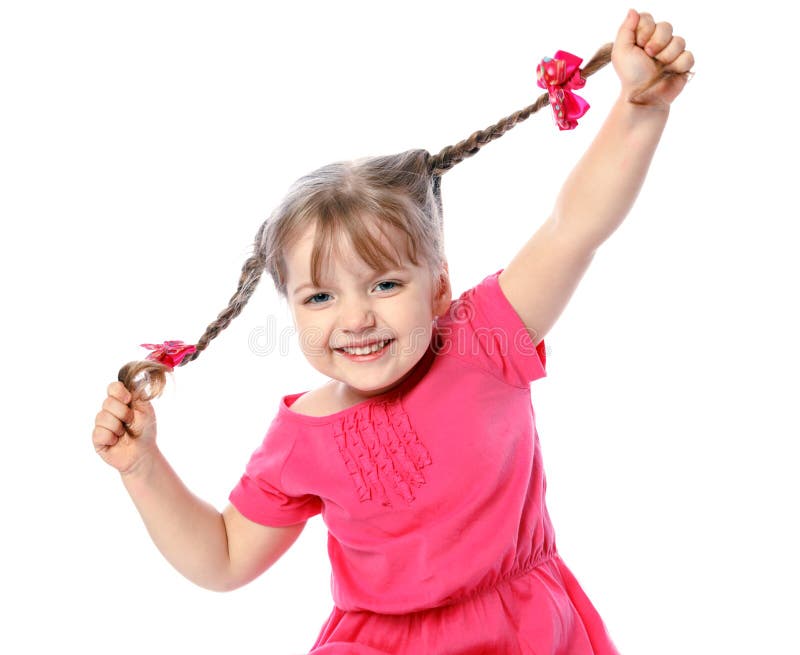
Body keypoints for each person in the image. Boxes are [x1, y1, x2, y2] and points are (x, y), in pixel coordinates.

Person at [92, 9, 693, 654]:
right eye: (320, 296)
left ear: (437, 286)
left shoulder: (484, 342)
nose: (355, 319)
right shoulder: (301, 438)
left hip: (521, 633)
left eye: (384, 284)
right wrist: (143, 467)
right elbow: (226, 556)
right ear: (292, 310)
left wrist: (638, 109)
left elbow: (573, 226)